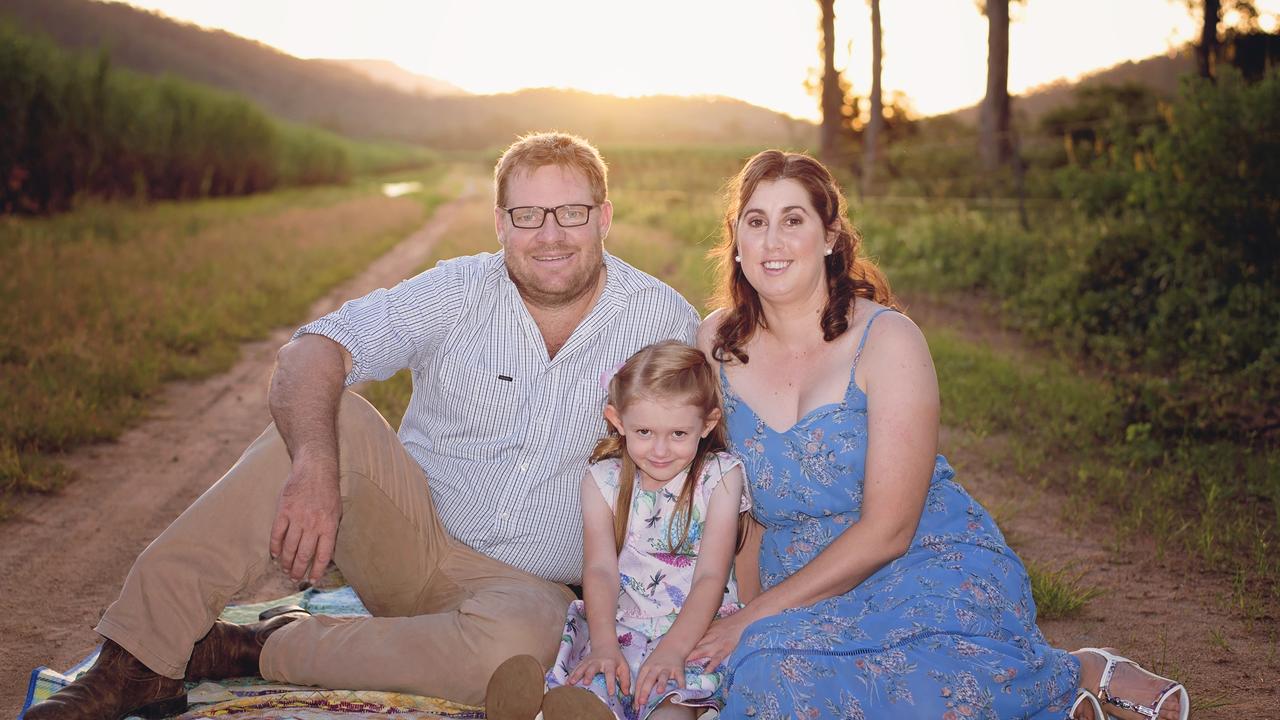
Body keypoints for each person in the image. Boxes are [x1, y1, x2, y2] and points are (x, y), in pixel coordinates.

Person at [23, 132, 701, 720]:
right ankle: (135, 658)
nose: (549, 235)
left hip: (529, 588)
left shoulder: (661, 320)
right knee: (333, 415)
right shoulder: (457, 289)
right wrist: (315, 467)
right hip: (405, 543)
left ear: (605, 216)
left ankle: (254, 649)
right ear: (499, 223)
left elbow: (709, 435)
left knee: (522, 648)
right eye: (527, 214)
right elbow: (312, 350)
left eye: (571, 213)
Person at [688, 150, 1189, 720]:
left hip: (922, 559)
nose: (772, 241)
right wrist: (747, 612)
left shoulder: (888, 340)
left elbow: (890, 531)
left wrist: (750, 619)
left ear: (829, 237)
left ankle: (1070, 671)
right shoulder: (716, 344)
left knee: (924, 669)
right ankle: (1042, 691)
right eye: (756, 222)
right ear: (736, 238)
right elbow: (734, 497)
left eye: (792, 220)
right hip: (798, 581)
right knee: (767, 677)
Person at [487, 341, 750, 720]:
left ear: (707, 424)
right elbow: (599, 570)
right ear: (617, 420)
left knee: (668, 703)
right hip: (621, 624)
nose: (660, 450)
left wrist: (673, 649)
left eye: (678, 434)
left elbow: (711, 575)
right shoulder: (602, 480)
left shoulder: (720, 477)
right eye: (644, 431)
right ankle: (547, 710)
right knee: (597, 683)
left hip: (693, 629)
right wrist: (605, 645)